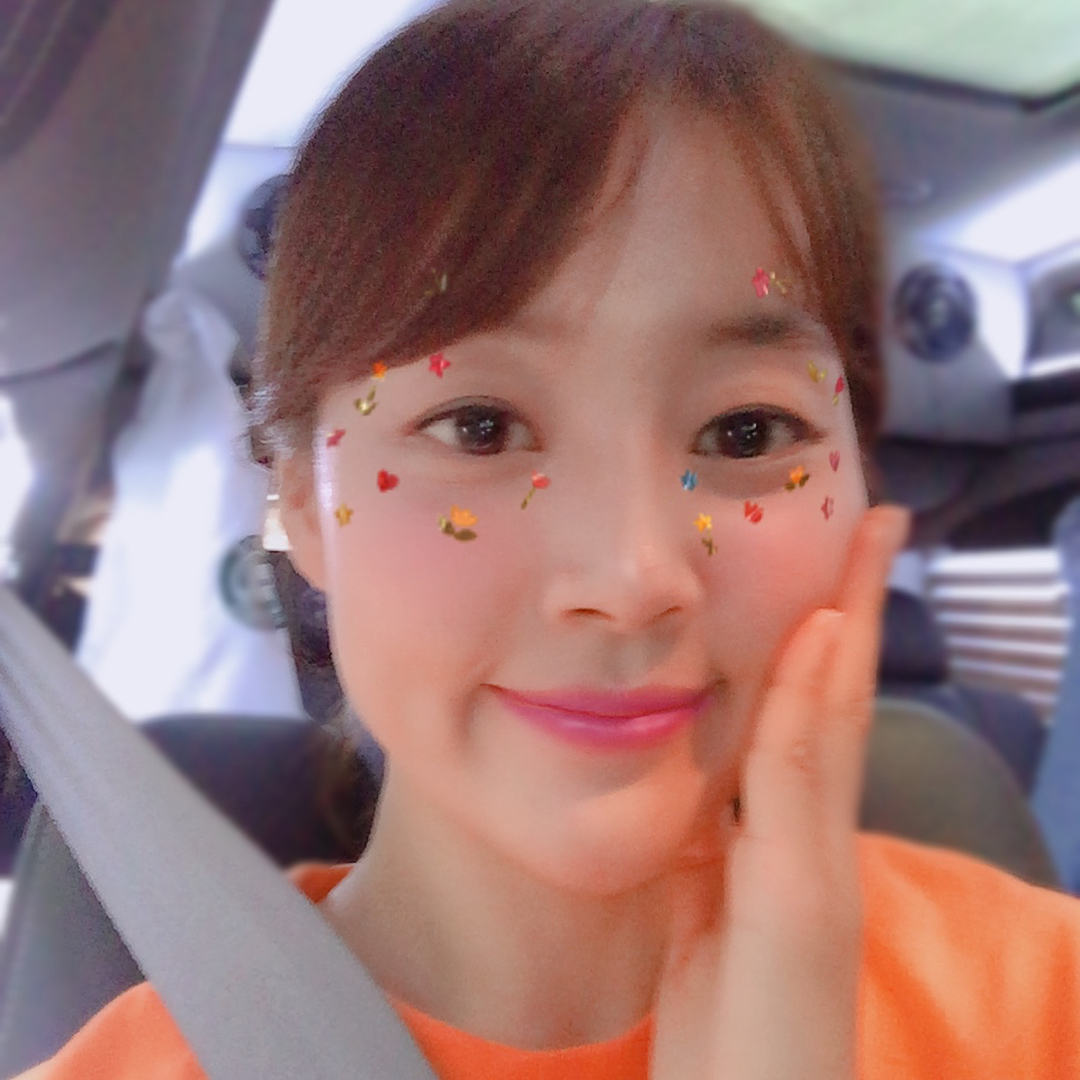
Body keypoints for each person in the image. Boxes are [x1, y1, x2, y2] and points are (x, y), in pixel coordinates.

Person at [16, 1, 1080, 1077]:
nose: (632, 577)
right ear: (300, 503)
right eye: (478, 426)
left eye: (746, 431)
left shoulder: (1044, 999)